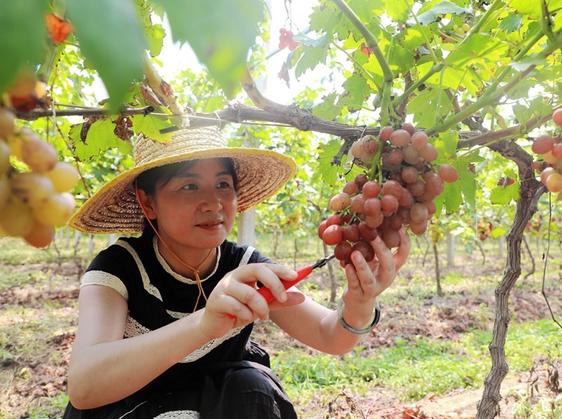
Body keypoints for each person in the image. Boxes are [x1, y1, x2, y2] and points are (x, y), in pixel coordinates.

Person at [63, 126, 410, 418]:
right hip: (129, 410)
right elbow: (85, 385)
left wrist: (360, 304)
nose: (213, 202)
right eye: (189, 186)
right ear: (148, 202)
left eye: (223, 185)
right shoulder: (119, 268)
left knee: (250, 386)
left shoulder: (245, 267)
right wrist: (203, 324)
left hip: (212, 406)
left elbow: (329, 335)